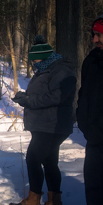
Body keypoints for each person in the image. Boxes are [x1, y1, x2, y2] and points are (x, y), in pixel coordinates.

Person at [11, 35, 76, 205]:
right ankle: (54, 200)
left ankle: (33, 199)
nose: (34, 64)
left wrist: (28, 101)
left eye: (36, 60)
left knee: (33, 158)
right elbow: (44, 94)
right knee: (49, 161)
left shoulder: (61, 71)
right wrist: (24, 97)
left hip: (52, 124)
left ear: (45, 57)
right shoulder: (47, 69)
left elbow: (55, 97)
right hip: (45, 123)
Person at [79, 14, 103, 204]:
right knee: (93, 189)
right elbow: (84, 94)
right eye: (94, 34)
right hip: (94, 138)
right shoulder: (92, 60)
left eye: (100, 35)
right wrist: (84, 122)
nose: (95, 40)